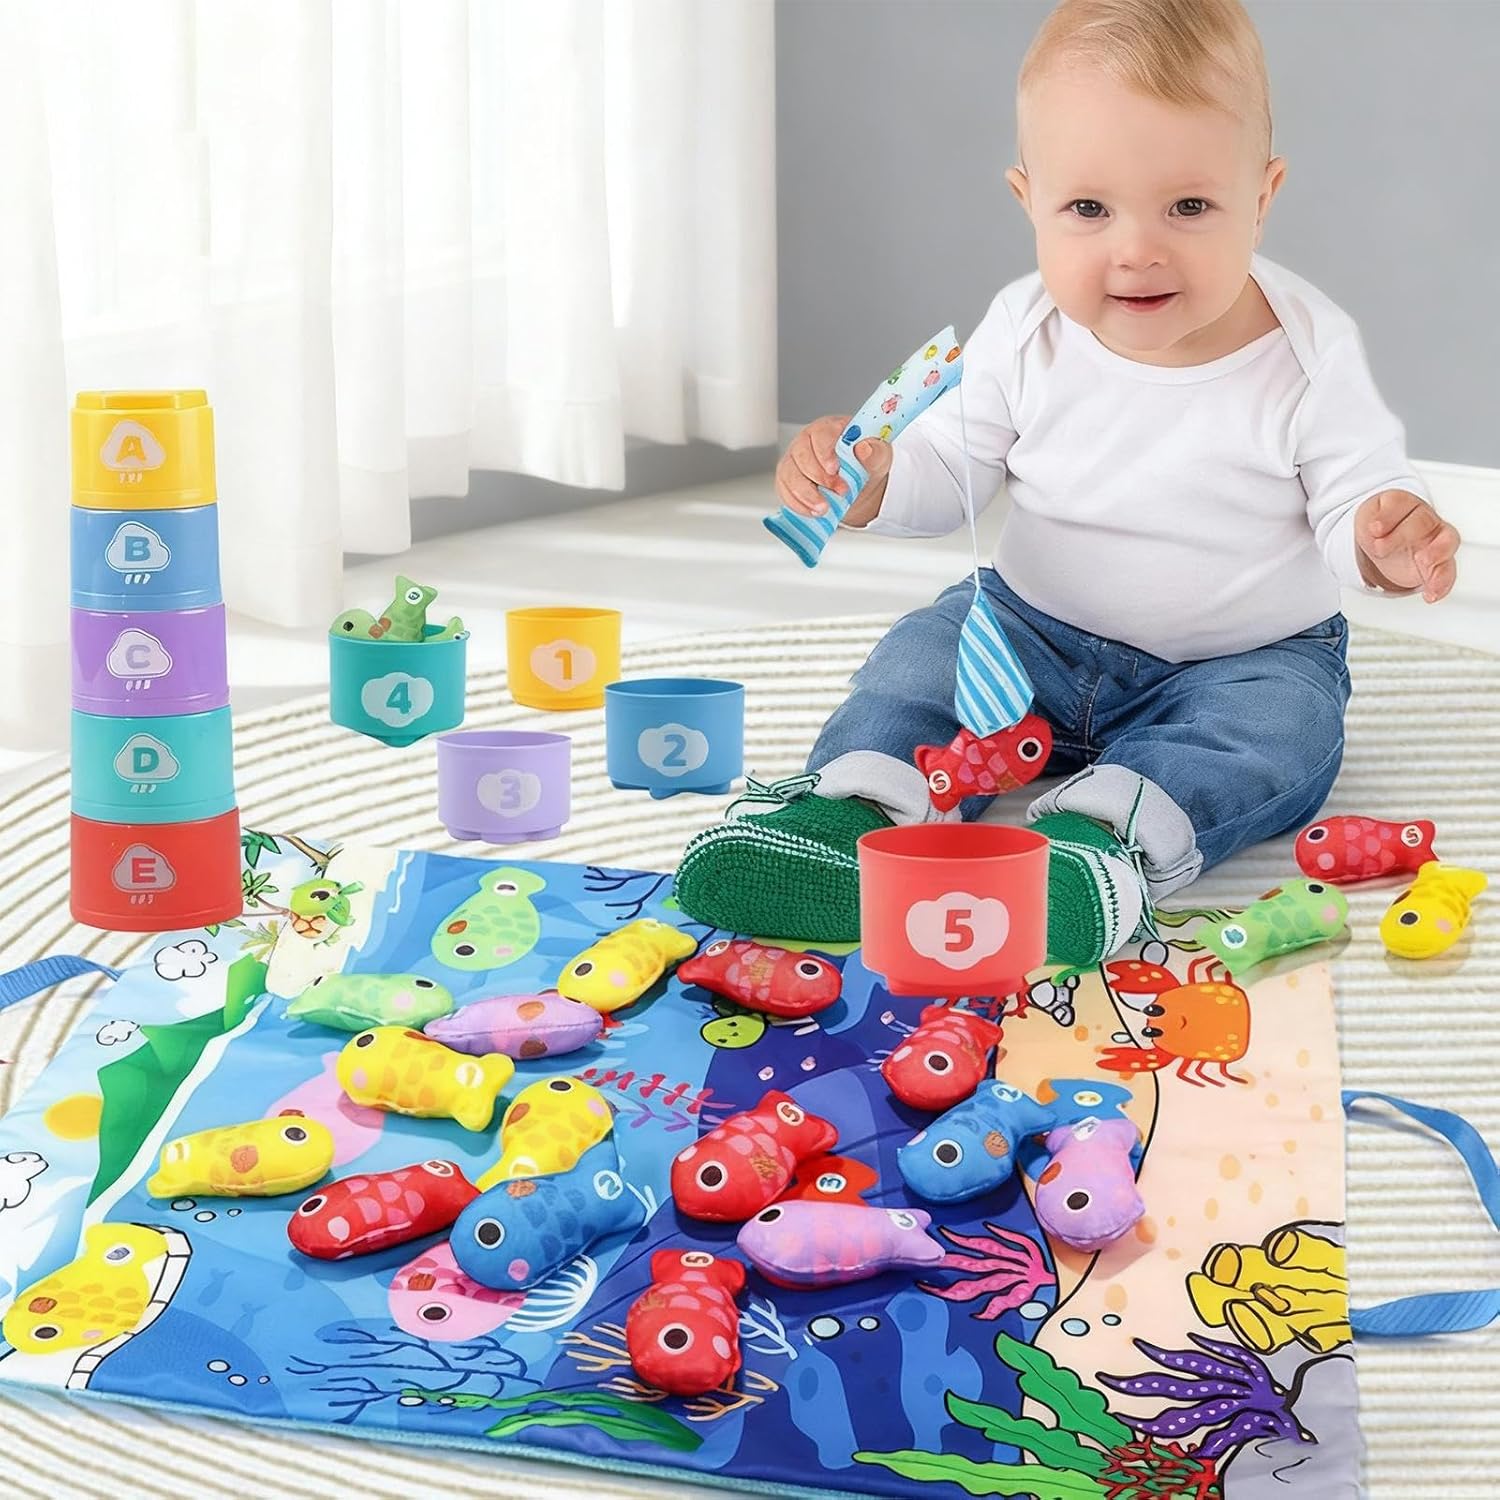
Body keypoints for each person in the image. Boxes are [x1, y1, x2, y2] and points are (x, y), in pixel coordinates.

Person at [674, 0, 1460, 963]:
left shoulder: (1306, 350)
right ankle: (851, 820)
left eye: (1189, 207)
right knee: (920, 662)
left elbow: (1352, 494)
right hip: (1030, 632)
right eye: (1089, 210)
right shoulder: (1023, 328)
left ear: (1262, 196)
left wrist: (1382, 537)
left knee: (1280, 731)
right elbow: (953, 469)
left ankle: (1098, 852)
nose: (1136, 248)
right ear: (1029, 200)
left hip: (1241, 658)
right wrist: (877, 482)